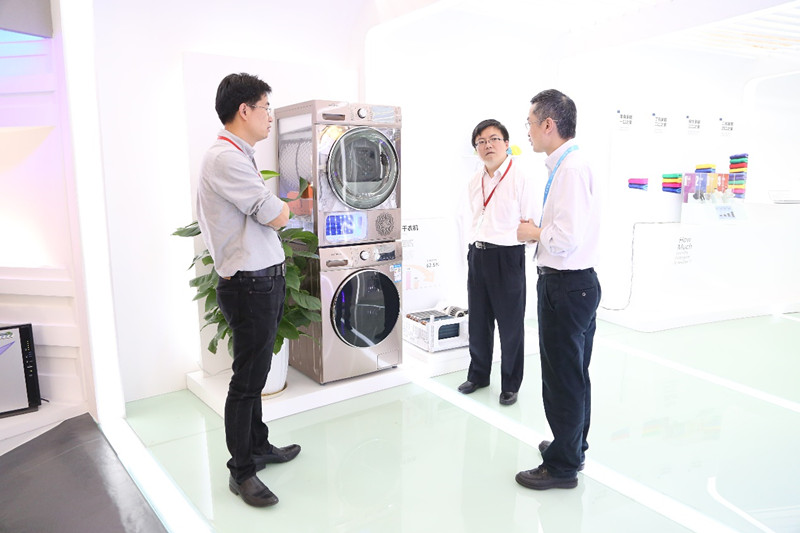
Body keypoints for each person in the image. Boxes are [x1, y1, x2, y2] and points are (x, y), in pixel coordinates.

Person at [197, 73, 299, 507]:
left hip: (262, 281)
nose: (270, 117)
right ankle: (241, 471)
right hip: (250, 285)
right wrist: (285, 208)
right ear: (244, 110)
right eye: (266, 108)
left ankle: (258, 446)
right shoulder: (226, 158)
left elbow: (268, 211)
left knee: (255, 374)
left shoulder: (239, 155)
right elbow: (273, 214)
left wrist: (280, 208)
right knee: (246, 382)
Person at [515, 89, 601, 490]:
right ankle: (572, 446)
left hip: (566, 286)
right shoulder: (569, 165)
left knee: (563, 378)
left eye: (530, 123)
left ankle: (563, 466)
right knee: (574, 374)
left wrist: (532, 232)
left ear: (548, 124)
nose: (528, 131)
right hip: (574, 285)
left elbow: (564, 238)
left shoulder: (570, 170)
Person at [458, 119, 537, 406]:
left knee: (510, 326)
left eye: (493, 139)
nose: (487, 145)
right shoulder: (474, 180)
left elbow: (530, 222)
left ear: (506, 143)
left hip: (507, 256)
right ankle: (478, 375)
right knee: (478, 322)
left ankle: (510, 384)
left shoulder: (521, 177)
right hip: (478, 254)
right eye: (481, 142)